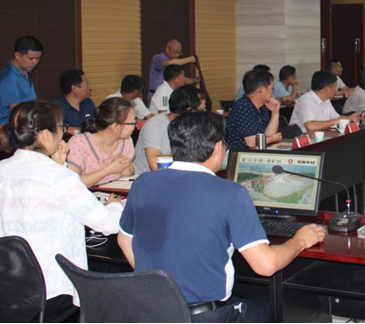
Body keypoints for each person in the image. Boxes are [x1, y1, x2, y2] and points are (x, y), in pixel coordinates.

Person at [117, 111, 326, 322]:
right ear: (218, 148)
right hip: (206, 317)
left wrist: (160, 286)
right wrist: (300, 240)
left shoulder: (143, 183)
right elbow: (266, 265)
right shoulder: (230, 193)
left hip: (150, 311)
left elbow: (124, 240)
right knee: (287, 303)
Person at [0, 101, 123, 321]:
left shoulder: (4, 169)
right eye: (61, 128)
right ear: (46, 135)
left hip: (8, 290)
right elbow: (108, 224)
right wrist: (115, 204)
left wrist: (59, 165)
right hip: (52, 292)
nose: (63, 134)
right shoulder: (58, 177)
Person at [66, 97, 135, 188]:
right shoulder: (79, 143)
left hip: (114, 193)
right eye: (133, 123)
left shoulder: (126, 141)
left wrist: (126, 167)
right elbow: (72, 182)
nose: (135, 126)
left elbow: (127, 176)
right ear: (115, 127)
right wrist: (109, 169)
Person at [133, 85, 200, 175]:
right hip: (148, 178)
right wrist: (191, 159)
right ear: (189, 110)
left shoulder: (188, 125)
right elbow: (155, 164)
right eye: (201, 111)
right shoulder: (155, 125)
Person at [225, 68, 282, 150]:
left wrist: (275, 112)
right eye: (271, 89)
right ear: (261, 91)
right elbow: (251, 142)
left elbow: (268, 134)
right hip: (240, 154)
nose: (272, 92)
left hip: (256, 152)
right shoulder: (243, 106)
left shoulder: (261, 106)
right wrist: (272, 139)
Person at [290, 70, 359, 133]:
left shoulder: (326, 100)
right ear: (326, 89)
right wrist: (337, 121)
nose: (336, 90)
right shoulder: (306, 100)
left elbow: (336, 118)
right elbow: (310, 126)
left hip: (319, 136)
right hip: (299, 139)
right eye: (335, 86)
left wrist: (350, 118)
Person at [0, 36, 44, 125]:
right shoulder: (9, 80)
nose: (35, 62)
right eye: (31, 58)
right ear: (17, 55)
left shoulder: (25, 70)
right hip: (12, 129)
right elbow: (17, 114)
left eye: (38, 58)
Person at [52, 69, 96, 134]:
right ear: (74, 88)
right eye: (86, 84)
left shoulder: (88, 103)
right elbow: (56, 129)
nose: (89, 88)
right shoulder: (57, 107)